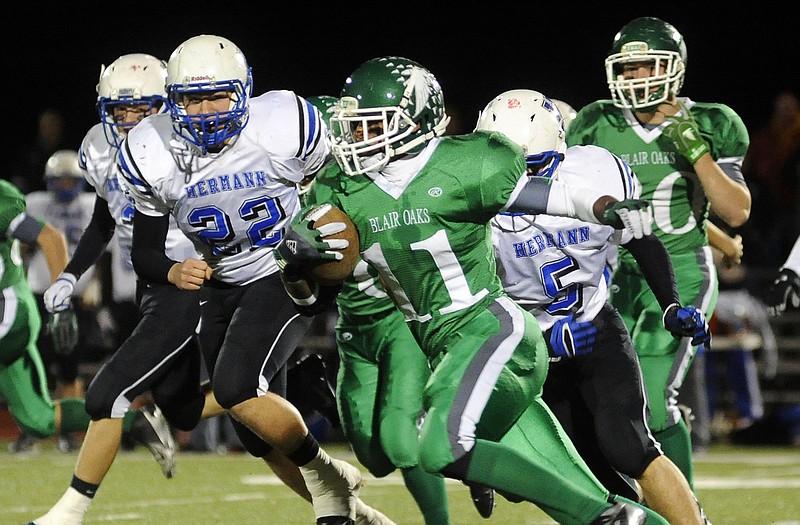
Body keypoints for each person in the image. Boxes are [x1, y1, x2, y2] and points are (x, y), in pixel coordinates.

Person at [278, 55, 672, 524]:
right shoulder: (342, 190)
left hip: (492, 329)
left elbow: (549, 194)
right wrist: (295, 270)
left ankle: (585, 510)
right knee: (574, 493)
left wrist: (606, 207)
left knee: (437, 448)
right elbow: (316, 298)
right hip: (442, 345)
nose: (355, 139)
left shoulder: (463, 162)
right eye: (352, 127)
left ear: (413, 123)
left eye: (369, 126)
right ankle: (617, 516)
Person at [117, 36, 370, 525]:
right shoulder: (153, 149)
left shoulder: (282, 125)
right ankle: (357, 512)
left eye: (218, 96)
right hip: (220, 282)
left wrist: (322, 237)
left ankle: (329, 483)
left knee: (235, 388)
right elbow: (143, 252)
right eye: (193, 99)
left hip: (286, 270)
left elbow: (342, 188)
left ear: (244, 92)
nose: (207, 111)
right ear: (174, 100)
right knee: (255, 436)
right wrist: (171, 269)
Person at [479, 89, 710, 525]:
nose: (520, 184)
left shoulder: (596, 172)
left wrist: (670, 305)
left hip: (592, 325)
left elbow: (641, 238)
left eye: (529, 168)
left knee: (631, 446)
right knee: (579, 476)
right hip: (523, 344)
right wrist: (543, 337)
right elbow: (477, 298)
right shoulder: (473, 200)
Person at [566, 16, 751, 488]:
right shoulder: (595, 122)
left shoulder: (711, 121)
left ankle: (688, 516)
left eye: (645, 65)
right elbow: (633, 208)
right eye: (627, 69)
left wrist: (694, 148)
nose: (635, 77)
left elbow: (734, 209)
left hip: (681, 273)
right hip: (611, 277)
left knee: (652, 399)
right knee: (607, 401)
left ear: (673, 67)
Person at [305, 95, 469, 524]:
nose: (355, 140)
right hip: (355, 333)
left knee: (400, 442)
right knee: (374, 460)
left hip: (401, 325)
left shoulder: (373, 184)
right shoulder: (305, 195)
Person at [1, 177, 167, 478]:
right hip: (13, 320)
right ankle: (137, 422)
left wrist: (61, 303)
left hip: (8, 317)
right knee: (38, 419)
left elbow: (50, 238)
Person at [21, 149, 98, 452]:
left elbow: (103, 252)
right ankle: (34, 428)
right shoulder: (35, 203)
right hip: (39, 293)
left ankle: (70, 430)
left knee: (70, 366)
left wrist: (96, 287)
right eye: (60, 180)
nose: (66, 186)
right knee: (36, 363)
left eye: (71, 180)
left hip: (76, 296)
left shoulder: (93, 204)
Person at [8, 109, 67, 194]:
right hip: (35, 198)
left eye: (54, 125)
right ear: (41, 127)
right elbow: (18, 180)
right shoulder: (29, 154)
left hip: (62, 199)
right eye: (47, 125)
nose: (51, 129)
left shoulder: (66, 151)